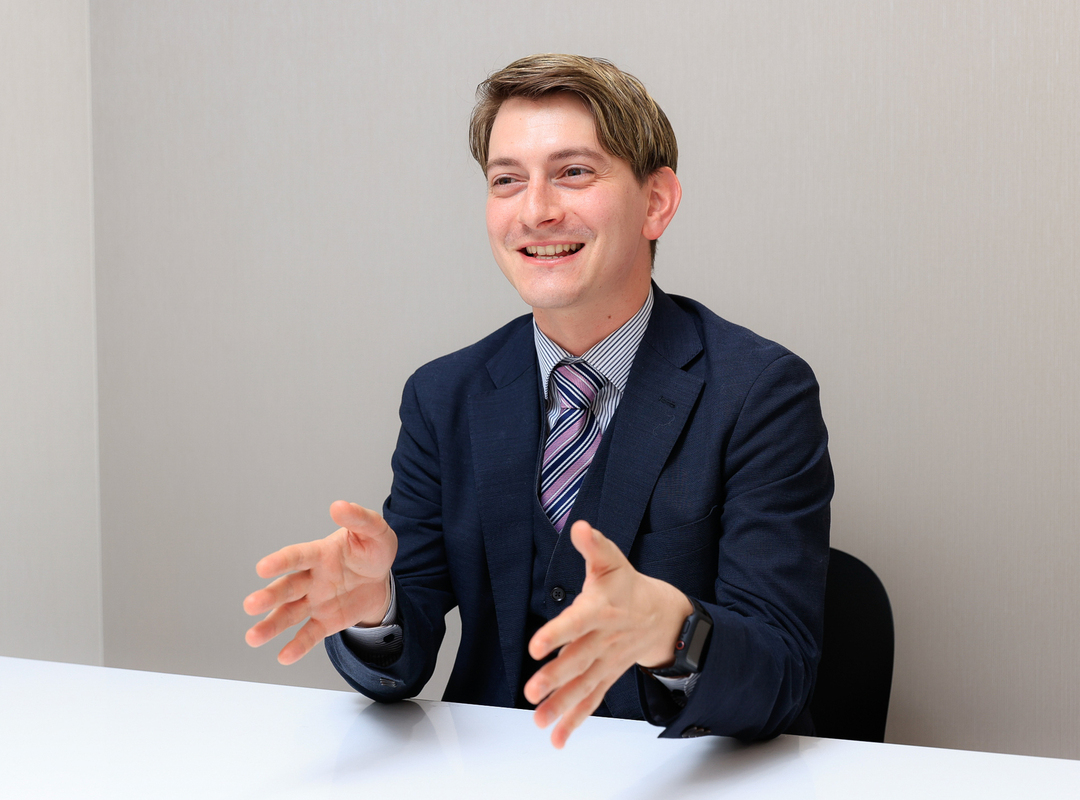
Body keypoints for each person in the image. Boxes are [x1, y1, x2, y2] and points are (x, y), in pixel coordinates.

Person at [244, 54, 832, 748]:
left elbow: (781, 671)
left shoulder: (760, 392)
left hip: (672, 776)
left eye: (574, 172)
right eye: (507, 180)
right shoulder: (443, 396)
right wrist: (377, 608)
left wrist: (674, 631)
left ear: (656, 202)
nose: (536, 211)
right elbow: (404, 651)